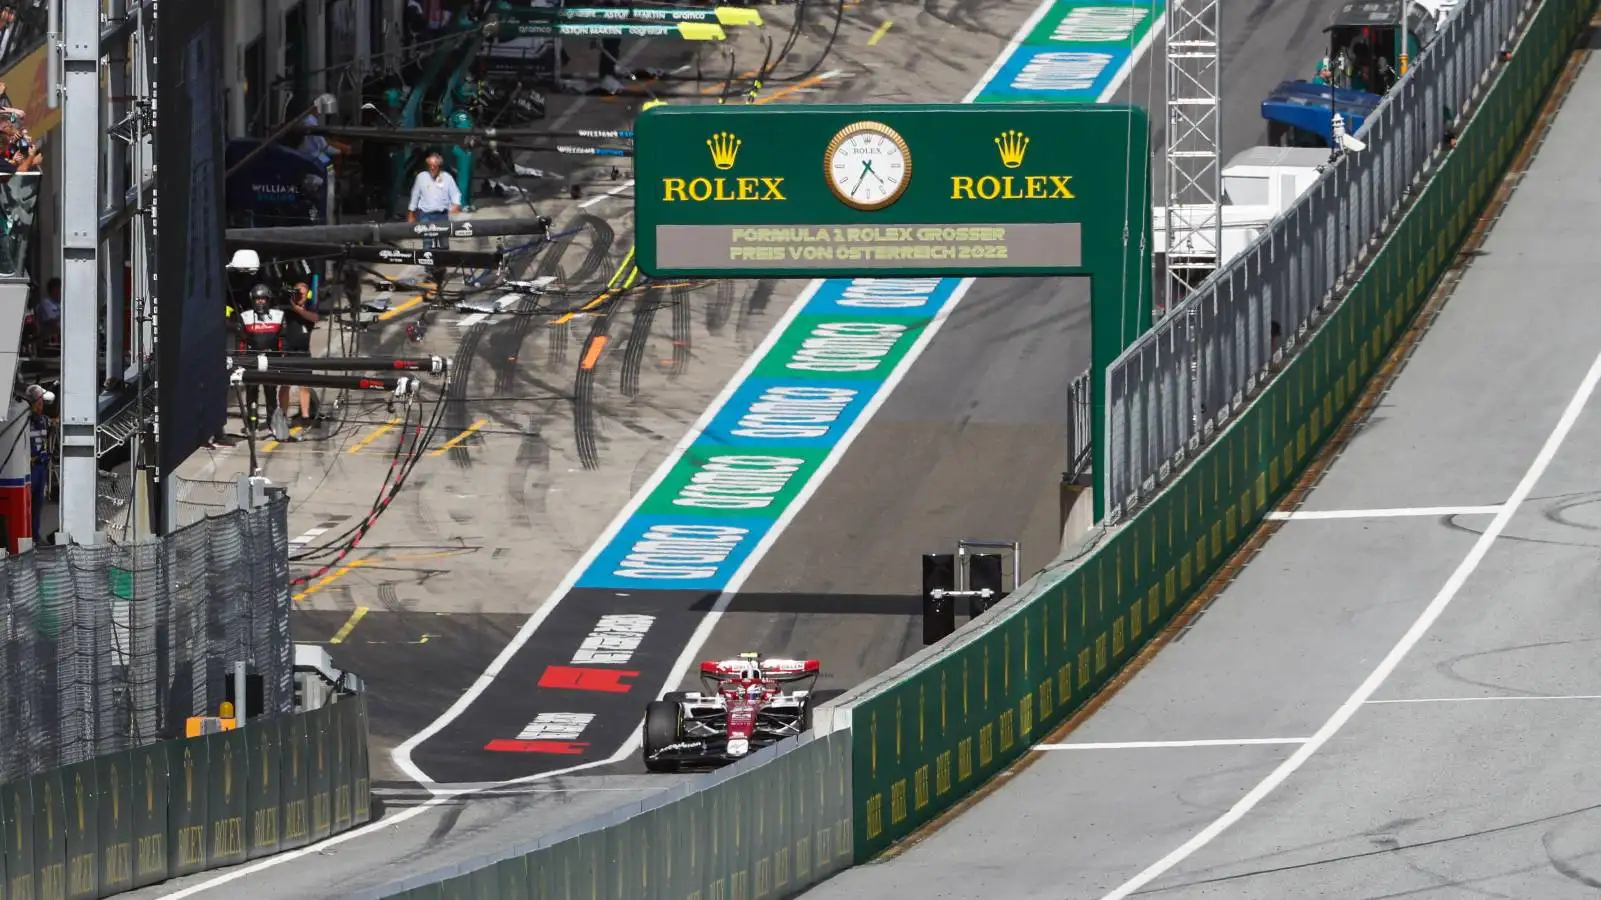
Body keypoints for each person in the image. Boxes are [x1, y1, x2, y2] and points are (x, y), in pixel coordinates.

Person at [237, 284, 285, 431]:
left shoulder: (278, 315)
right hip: (252, 361)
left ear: (268, 299)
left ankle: (273, 422)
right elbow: (241, 342)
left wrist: (281, 360)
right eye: (257, 299)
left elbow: (282, 340)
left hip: (272, 360)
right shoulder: (245, 317)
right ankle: (252, 422)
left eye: (263, 298)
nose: (260, 302)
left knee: (271, 392)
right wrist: (241, 361)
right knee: (251, 392)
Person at [278, 281, 320, 427]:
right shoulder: (286, 309)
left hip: (303, 351)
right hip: (288, 351)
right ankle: (283, 414)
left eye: (302, 293)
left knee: (305, 384)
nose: (300, 296)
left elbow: (314, 318)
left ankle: (305, 416)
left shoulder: (310, 308)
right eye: (297, 293)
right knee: (285, 384)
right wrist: (289, 303)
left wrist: (297, 309)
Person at [407, 152, 461, 252]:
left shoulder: (447, 178)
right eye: (430, 166)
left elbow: (455, 193)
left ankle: (442, 265)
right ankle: (428, 267)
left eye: (434, 166)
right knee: (427, 243)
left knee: (444, 244)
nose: (432, 168)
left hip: (442, 215)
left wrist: (456, 204)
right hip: (426, 215)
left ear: (439, 167)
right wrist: (411, 213)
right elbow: (415, 195)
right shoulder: (421, 177)